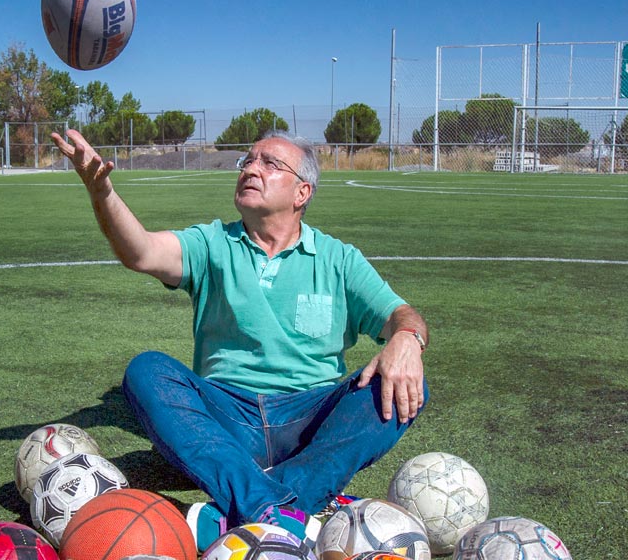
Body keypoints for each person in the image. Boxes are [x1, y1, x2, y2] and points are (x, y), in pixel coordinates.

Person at [49, 128, 429, 550]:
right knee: (147, 370)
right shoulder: (212, 243)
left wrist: (407, 338)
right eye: (247, 160)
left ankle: (252, 505)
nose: (251, 168)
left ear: (302, 192)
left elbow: (401, 315)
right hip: (227, 417)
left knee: (403, 381)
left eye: (270, 163)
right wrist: (101, 191)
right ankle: (283, 506)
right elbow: (141, 252)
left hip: (309, 419)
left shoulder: (339, 260)